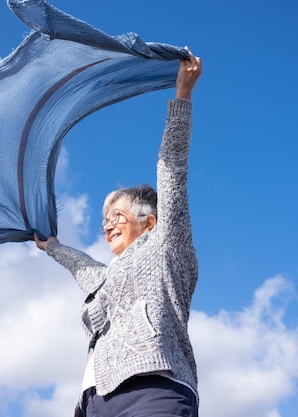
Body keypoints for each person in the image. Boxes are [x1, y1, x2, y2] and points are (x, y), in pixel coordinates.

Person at [35, 47, 202, 417]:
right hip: (93, 401)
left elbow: (171, 170)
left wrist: (182, 98)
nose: (108, 224)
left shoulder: (167, 246)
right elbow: (84, 270)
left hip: (153, 388)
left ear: (150, 223)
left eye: (118, 215)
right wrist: (53, 248)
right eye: (104, 219)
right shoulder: (111, 277)